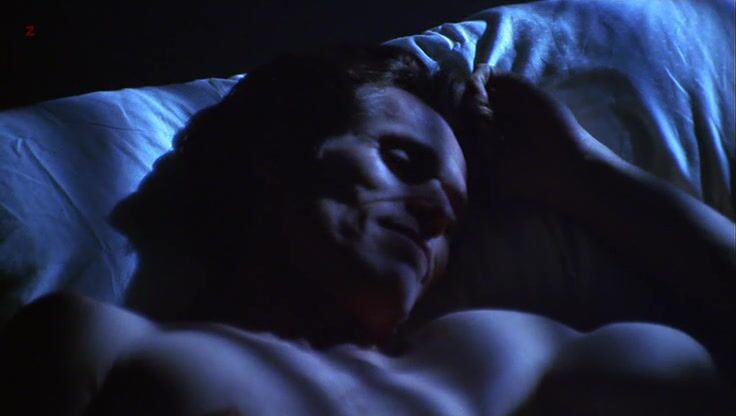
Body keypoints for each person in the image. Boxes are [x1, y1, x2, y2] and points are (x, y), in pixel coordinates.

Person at [0, 44, 732, 415]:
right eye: (404, 162)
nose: (437, 215)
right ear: (276, 155)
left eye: (456, 218)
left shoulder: (504, 357)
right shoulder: (105, 348)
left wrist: (582, 174)